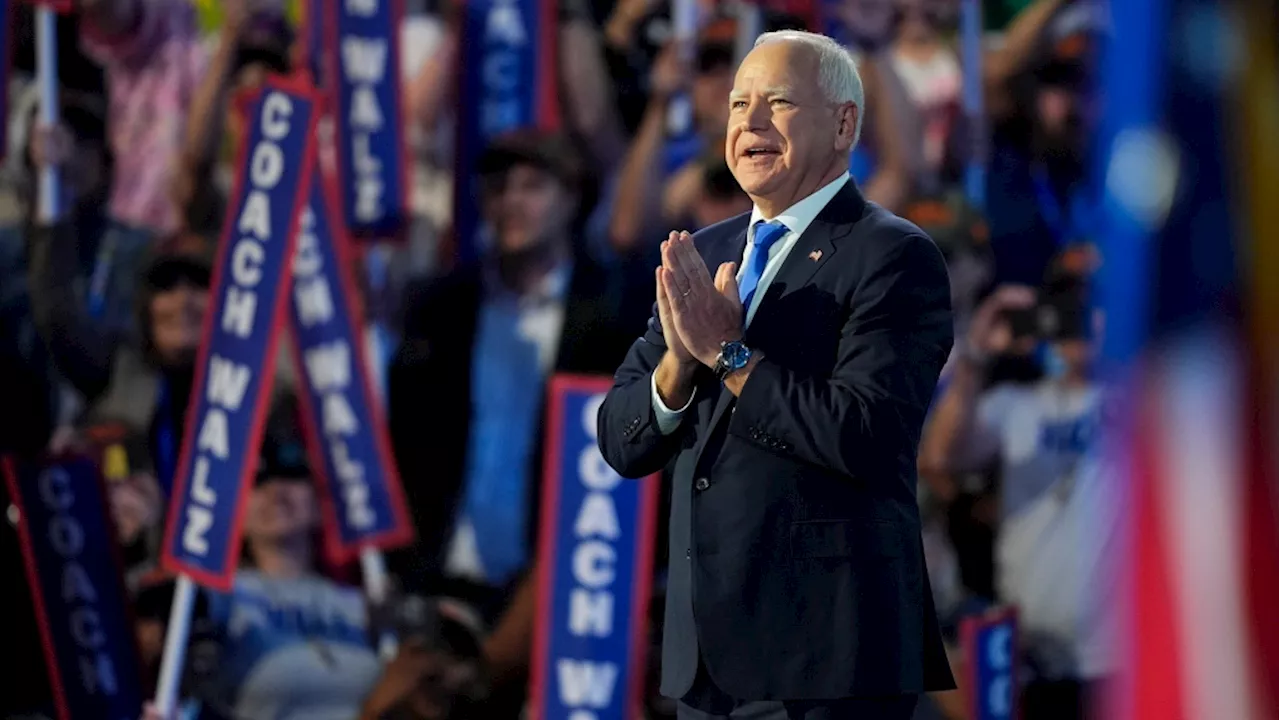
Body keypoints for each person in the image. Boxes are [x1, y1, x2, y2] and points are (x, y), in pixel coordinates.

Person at [597, 29, 956, 720]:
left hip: (826, 663)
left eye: (778, 102)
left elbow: (867, 436)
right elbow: (623, 439)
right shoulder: (703, 249)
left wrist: (730, 356)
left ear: (844, 123)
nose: (749, 124)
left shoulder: (893, 256)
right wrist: (681, 360)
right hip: (706, 664)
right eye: (737, 105)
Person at [918, 249, 1117, 719]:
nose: (1080, 322)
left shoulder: (1152, 400)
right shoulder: (1015, 404)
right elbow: (942, 455)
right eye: (1068, 309)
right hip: (1029, 663)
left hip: (1123, 657)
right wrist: (976, 356)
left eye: (1093, 305)